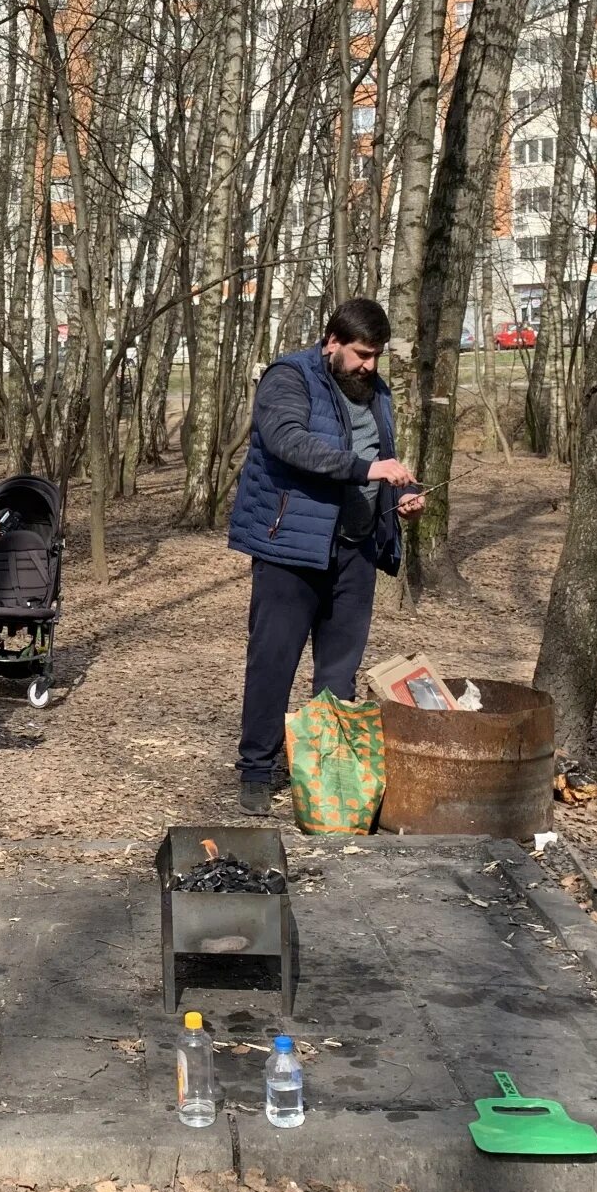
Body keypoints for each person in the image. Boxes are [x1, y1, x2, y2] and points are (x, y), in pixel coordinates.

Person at [228, 298, 423, 815]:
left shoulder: (375, 389)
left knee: (339, 672)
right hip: (290, 545)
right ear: (332, 341)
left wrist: (401, 492)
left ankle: (322, 771)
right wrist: (368, 471)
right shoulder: (288, 378)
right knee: (273, 662)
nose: (370, 366)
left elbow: (380, 454)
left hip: (356, 548)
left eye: (377, 355)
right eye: (362, 354)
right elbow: (289, 443)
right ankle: (256, 769)